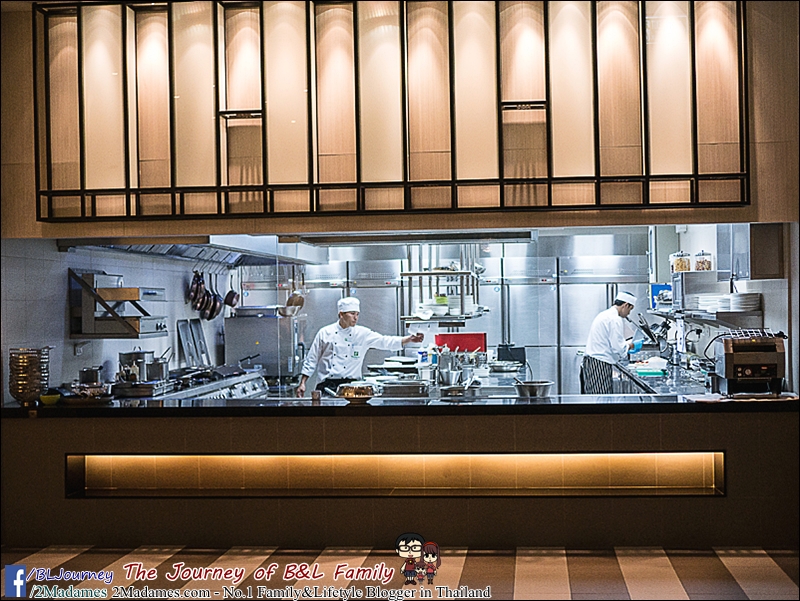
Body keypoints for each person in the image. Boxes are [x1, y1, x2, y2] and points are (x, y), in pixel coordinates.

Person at [296, 296, 424, 397]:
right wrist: (302, 383)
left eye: (357, 314)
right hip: (328, 387)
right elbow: (312, 359)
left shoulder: (362, 334)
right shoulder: (325, 333)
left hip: (353, 388)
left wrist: (409, 339)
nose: (356, 318)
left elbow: (384, 341)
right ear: (341, 314)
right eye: (352, 314)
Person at [580, 291, 642, 394]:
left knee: (595, 395)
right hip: (599, 363)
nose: (628, 313)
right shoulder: (615, 319)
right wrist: (632, 345)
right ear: (625, 305)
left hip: (594, 361)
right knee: (601, 396)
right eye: (630, 309)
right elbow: (617, 347)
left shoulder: (605, 315)